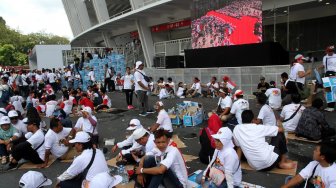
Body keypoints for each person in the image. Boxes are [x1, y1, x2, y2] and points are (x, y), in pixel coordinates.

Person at [319, 45, 336, 112]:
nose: (331, 52)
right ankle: (329, 106)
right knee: (327, 91)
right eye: (329, 51)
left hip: (333, 74)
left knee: (332, 90)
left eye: (332, 51)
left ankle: (332, 106)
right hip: (326, 74)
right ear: (326, 51)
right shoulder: (325, 57)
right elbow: (324, 65)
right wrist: (318, 68)